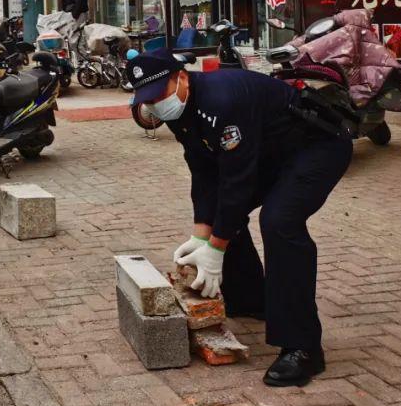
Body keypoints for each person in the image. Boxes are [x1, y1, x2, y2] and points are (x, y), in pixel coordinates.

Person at [129, 48, 352, 387]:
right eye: (149, 100)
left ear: (182, 78)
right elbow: (204, 172)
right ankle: (252, 300)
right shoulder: (178, 110)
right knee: (223, 215)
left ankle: (303, 349)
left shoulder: (223, 100)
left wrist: (216, 249)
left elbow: (237, 182)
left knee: (279, 222)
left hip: (317, 147)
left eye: (160, 94)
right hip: (271, 151)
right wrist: (200, 238)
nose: (157, 104)